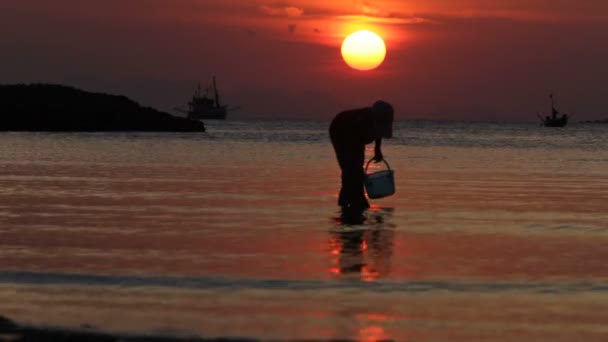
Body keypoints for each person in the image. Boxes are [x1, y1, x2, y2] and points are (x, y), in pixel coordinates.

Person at [329, 100, 394, 217]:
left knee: (354, 169)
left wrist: (377, 150)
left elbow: (378, 134)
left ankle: (350, 201)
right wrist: (357, 168)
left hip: (356, 137)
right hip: (339, 130)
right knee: (350, 168)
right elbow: (352, 150)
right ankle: (348, 200)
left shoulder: (378, 120)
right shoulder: (360, 121)